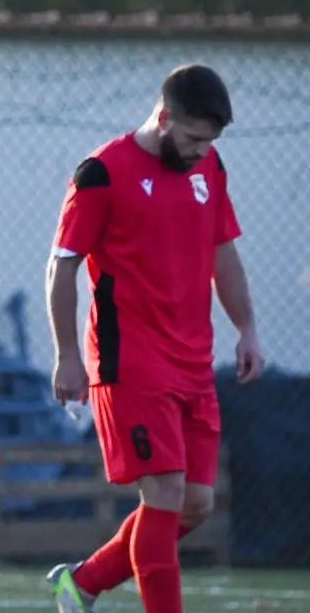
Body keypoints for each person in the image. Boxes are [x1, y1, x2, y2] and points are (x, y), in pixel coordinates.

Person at [46, 64, 264, 613]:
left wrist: (247, 328)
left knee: (195, 504)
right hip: (130, 363)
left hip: (193, 361)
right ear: (164, 118)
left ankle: (84, 582)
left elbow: (224, 253)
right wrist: (67, 355)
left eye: (209, 142)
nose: (200, 151)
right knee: (164, 497)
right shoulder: (101, 172)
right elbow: (62, 268)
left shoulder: (209, 167)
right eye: (192, 138)